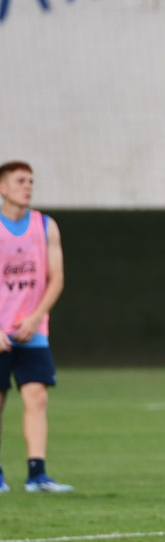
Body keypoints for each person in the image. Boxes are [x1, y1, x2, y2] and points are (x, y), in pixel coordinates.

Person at [0, 161, 72, 494]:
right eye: (19, 181)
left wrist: (35, 317)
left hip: (33, 330)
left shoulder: (45, 226)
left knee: (37, 396)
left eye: (31, 181)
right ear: (3, 188)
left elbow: (55, 278)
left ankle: (37, 474)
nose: (27, 186)